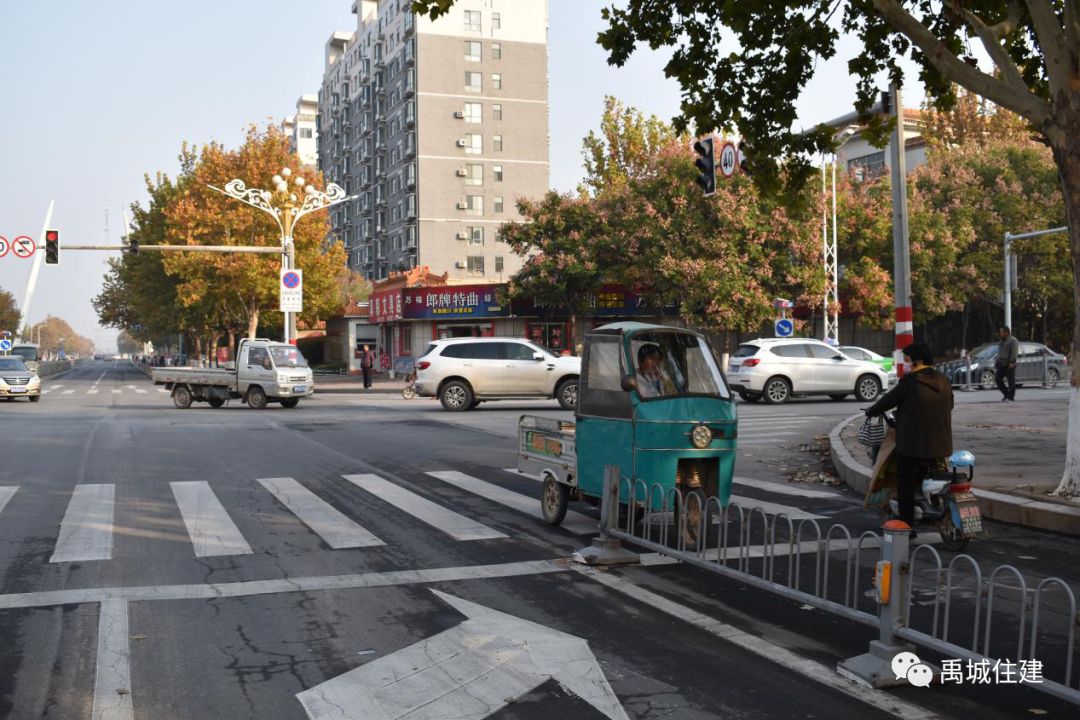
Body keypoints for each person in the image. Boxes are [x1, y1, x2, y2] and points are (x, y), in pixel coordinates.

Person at [865, 342, 953, 534]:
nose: (904, 365)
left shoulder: (910, 382)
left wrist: (871, 411)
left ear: (917, 361)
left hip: (914, 446)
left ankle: (907, 523)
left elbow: (887, 401)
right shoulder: (943, 380)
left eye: (906, 360)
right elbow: (950, 405)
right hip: (941, 445)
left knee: (905, 483)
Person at [995, 325, 1020, 402]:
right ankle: (1006, 394)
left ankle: (1011, 397)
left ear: (1006, 332)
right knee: (997, 379)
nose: (1000, 333)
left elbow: (1014, 352)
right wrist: (997, 361)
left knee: (1011, 381)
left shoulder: (1013, 340)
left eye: (1001, 332)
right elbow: (1000, 352)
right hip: (1001, 363)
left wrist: (1012, 362)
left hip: (1009, 364)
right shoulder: (1002, 341)